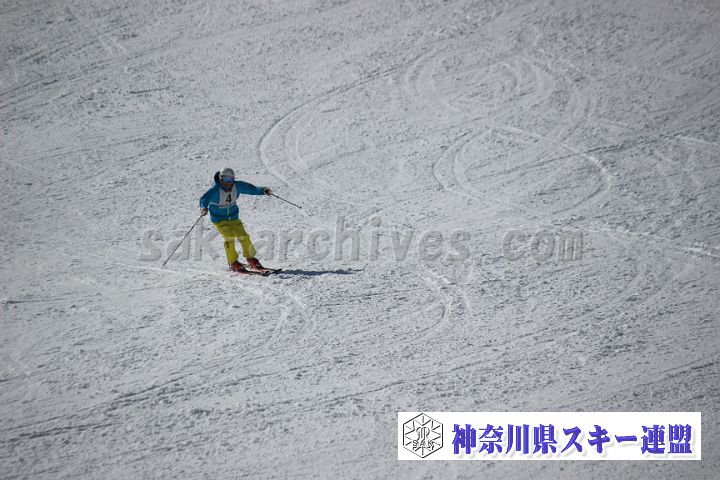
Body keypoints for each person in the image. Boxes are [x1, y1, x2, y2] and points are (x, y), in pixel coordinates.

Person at [199, 168, 272, 272]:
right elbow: (204, 199)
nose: (229, 182)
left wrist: (263, 190)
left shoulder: (236, 186)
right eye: (226, 180)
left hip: (233, 218)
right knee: (229, 237)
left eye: (231, 179)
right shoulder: (215, 191)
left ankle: (250, 258)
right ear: (221, 179)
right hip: (219, 220)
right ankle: (233, 262)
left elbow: (251, 189)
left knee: (244, 236)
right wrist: (203, 207)